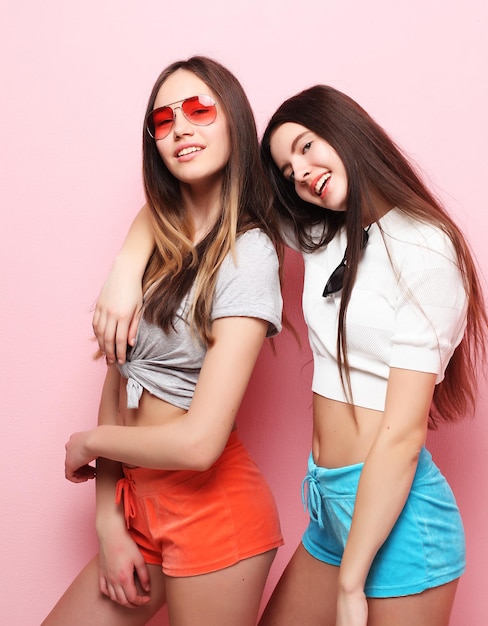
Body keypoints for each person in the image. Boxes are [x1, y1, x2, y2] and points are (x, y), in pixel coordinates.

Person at [93, 85, 488, 626]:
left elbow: (402, 435)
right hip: (330, 505)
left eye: (307, 147)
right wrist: (124, 269)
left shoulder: (426, 248)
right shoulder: (320, 232)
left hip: (397, 517)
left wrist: (351, 583)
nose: (300, 172)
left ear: (348, 132)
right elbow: (199, 201)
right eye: (286, 169)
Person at [42, 56, 285, 626]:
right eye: (163, 119)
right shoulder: (158, 237)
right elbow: (120, 374)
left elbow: (200, 444)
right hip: (137, 506)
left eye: (201, 110)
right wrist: (108, 520)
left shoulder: (250, 256)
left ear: (236, 125)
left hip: (214, 511)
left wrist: (89, 443)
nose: (180, 127)